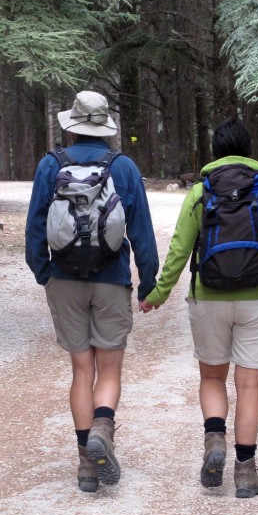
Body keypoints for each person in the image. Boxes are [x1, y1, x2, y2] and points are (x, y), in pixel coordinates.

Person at [140, 118, 258, 498]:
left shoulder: (199, 192)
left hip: (208, 298)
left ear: (215, 151)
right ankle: (246, 471)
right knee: (249, 385)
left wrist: (158, 294)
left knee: (212, 378)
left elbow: (180, 250)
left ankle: (214, 441)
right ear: (249, 150)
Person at [26, 90, 159, 493]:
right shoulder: (124, 167)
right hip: (111, 277)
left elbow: (35, 226)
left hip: (64, 279)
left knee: (81, 370)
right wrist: (148, 282)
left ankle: (87, 462)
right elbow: (141, 230)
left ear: (72, 125)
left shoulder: (51, 165)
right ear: (106, 128)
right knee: (110, 369)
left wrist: (44, 272)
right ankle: (104, 428)